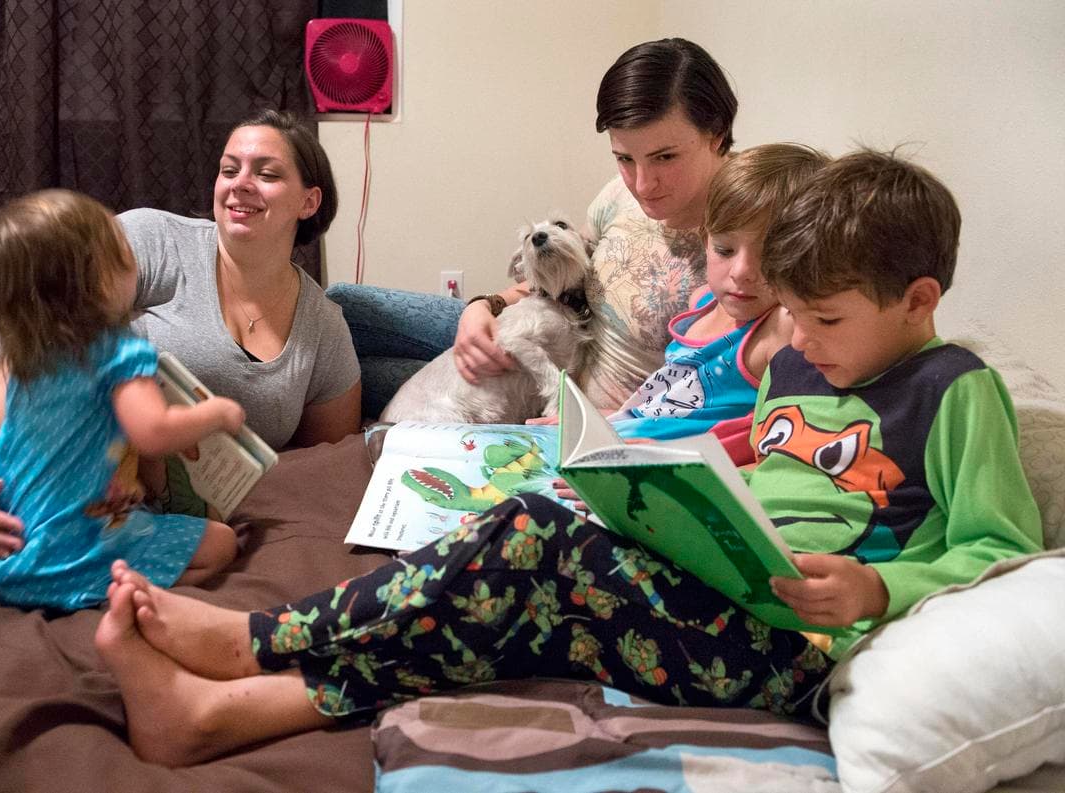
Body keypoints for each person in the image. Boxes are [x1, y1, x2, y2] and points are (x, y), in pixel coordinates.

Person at [94, 148, 1043, 766]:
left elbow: (999, 549)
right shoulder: (797, 362)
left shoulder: (954, 390)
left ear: (919, 300)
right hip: (721, 591)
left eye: (827, 319)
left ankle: (257, 640)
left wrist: (877, 592)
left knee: (534, 536)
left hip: (792, 649)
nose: (805, 338)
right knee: (511, 606)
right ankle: (232, 711)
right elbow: (760, 473)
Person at [0, 109, 362, 554]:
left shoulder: (324, 330)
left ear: (309, 201)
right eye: (229, 169)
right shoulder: (157, 241)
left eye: (267, 173)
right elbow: (38, 328)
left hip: (50, 458)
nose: (240, 183)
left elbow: (323, 462)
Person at [330, 37, 736, 412]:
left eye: (665, 157)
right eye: (625, 158)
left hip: (572, 393)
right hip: (546, 326)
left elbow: (718, 391)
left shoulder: (743, 237)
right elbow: (561, 271)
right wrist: (485, 306)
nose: (642, 185)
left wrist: (607, 425)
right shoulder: (619, 194)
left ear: (717, 134)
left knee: (373, 385)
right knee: (347, 310)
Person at [0, 189, 243, 610]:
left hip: (7, 566)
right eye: (125, 252)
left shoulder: (20, 362)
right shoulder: (119, 353)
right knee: (223, 544)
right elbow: (153, 434)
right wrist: (216, 413)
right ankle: (109, 592)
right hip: (77, 556)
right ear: (98, 280)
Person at [533, 142, 828, 471]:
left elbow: (781, 443)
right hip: (618, 438)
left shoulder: (781, 327)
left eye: (769, 254)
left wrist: (673, 459)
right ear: (706, 239)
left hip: (665, 476)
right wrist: (609, 420)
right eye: (725, 249)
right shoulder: (701, 302)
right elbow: (668, 405)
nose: (742, 272)